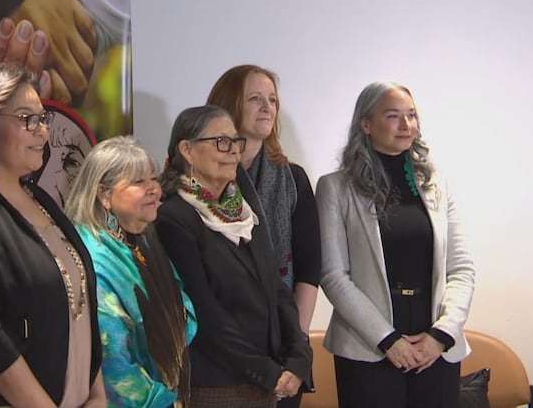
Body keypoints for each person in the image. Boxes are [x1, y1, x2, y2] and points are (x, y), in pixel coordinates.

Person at [0, 63, 105, 408]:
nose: (42, 132)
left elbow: (81, 306)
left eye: (42, 119)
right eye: (27, 119)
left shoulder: (41, 198)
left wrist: (97, 394)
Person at [316, 81, 476, 408]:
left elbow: (461, 268)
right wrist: (387, 340)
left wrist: (442, 335)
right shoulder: (335, 188)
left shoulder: (436, 184)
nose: (407, 125)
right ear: (366, 123)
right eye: (393, 116)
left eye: (412, 115)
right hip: (368, 348)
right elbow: (333, 275)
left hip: (435, 349)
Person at [155, 105, 312, 407]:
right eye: (221, 142)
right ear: (187, 150)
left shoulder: (244, 211)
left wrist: (298, 357)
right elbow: (204, 311)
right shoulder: (174, 218)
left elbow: (277, 289)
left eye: (235, 142)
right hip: (216, 385)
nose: (233, 152)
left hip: (268, 381)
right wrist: (266, 372)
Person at [207, 65, 321, 408]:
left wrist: (295, 347)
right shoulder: (200, 180)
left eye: (272, 99)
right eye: (255, 98)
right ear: (228, 104)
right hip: (216, 350)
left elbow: (309, 269)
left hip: (282, 349)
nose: (267, 106)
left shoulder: (293, 180)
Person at [65, 136, 197, 407]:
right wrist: (163, 400)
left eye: (152, 178)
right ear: (104, 194)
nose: (153, 189)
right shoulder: (93, 259)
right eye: (138, 182)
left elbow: (182, 311)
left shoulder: (143, 240)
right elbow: (113, 364)